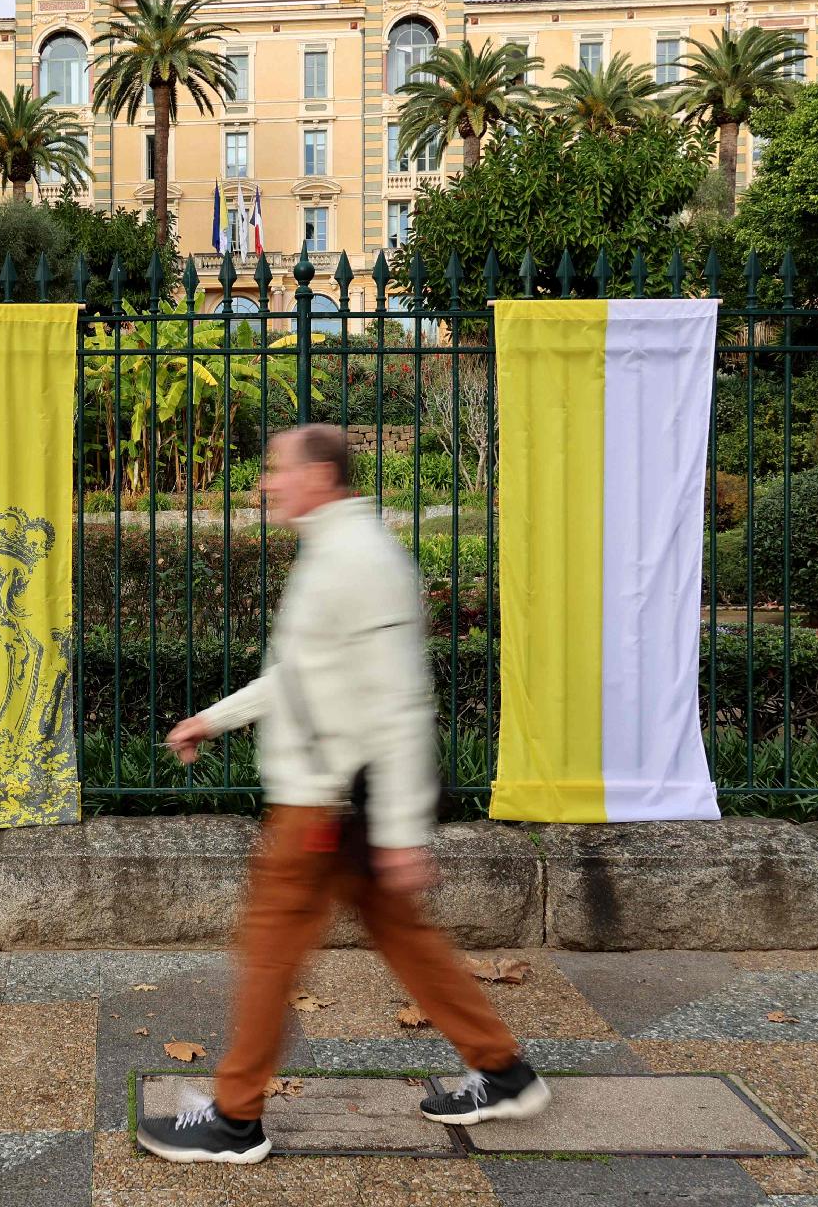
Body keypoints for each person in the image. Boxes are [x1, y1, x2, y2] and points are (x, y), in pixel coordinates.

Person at [135, 425, 548, 1165]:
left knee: (267, 952)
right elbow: (301, 677)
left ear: (321, 476)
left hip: (322, 807)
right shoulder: (335, 551)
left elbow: (397, 703)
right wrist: (214, 719)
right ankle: (501, 1070)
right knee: (404, 937)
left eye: (276, 471)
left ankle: (235, 1119)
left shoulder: (358, 560)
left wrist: (396, 834)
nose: (266, 484)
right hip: (340, 802)